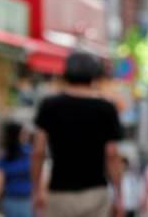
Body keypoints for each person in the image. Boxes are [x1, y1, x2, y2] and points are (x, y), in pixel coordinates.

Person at [32, 51, 124, 217]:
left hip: (59, 193)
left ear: (66, 74)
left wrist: (36, 189)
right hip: (95, 192)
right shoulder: (106, 109)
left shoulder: (50, 105)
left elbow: (38, 151)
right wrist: (119, 196)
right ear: (93, 76)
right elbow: (112, 154)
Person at [0, 121, 33, 217]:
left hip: (27, 200)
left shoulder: (29, 153)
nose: (26, 136)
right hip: (12, 201)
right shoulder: (5, 159)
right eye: (23, 133)